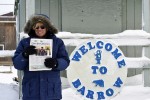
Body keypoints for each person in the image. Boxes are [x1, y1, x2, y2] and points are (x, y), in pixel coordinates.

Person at [12, 14, 70, 100]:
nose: (39, 29)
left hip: (51, 92)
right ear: (32, 27)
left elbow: (65, 61)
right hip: (31, 92)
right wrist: (24, 55)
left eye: (42, 27)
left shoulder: (57, 42)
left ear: (47, 27)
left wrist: (56, 63)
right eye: (36, 27)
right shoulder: (24, 43)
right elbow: (17, 64)